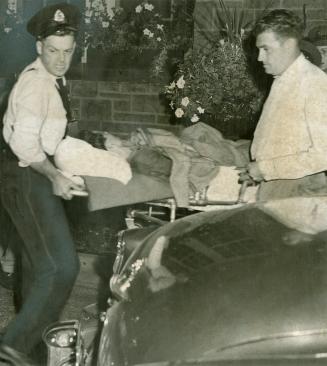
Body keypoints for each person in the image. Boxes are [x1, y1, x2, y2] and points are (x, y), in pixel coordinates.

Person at [0, 3, 86, 364]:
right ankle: (12, 349)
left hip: (26, 173)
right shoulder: (36, 84)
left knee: (38, 267)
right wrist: (54, 176)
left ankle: (33, 352)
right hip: (26, 175)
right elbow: (24, 146)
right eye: (53, 50)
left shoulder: (50, 79)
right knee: (62, 267)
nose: (60, 59)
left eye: (67, 52)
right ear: (39, 46)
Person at [241, 9, 327, 244]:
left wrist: (266, 169)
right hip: (279, 192)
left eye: (265, 49)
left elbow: (323, 156)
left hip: (297, 200)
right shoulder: (284, 78)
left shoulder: (314, 84)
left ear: (289, 44)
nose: (259, 58)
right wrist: (257, 168)